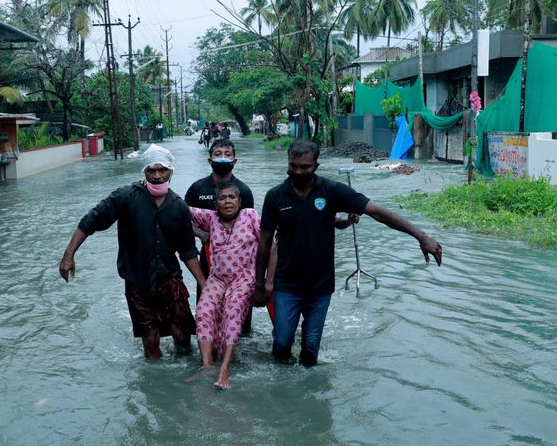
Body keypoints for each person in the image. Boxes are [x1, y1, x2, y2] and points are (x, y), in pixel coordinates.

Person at [252, 139, 443, 367]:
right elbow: (264, 243)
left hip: (320, 286)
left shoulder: (332, 191)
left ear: (316, 166)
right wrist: (260, 285)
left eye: (305, 167)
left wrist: (421, 236)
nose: (298, 172)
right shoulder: (275, 196)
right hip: (286, 284)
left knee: (310, 353)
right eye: (294, 166)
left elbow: (378, 212)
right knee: (281, 345)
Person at [59, 144, 208, 359]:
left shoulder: (179, 207)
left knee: (182, 335)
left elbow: (187, 251)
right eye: (151, 170)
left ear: (171, 172)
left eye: (162, 170)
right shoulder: (126, 197)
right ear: (144, 172)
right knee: (150, 340)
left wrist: (204, 283)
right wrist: (68, 256)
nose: (157, 175)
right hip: (137, 281)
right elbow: (90, 222)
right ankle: (156, 386)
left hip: (170, 279)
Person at [189, 181, 260, 389]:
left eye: (232, 197)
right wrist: (153, 186)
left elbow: (268, 245)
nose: (227, 201)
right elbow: (180, 208)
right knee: (203, 311)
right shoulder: (210, 218)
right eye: (222, 198)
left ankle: (224, 369)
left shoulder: (251, 216)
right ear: (215, 204)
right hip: (217, 278)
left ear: (239, 201)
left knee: (232, 311)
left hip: (244, 276)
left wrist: (266, 282)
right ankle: (207, 365)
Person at [185, 138, 256, 335]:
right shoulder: (197, 189)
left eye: (227, 154)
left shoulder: (245, 192)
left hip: (240, 265)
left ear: (234, 161)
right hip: (208, 260)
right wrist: (200, 234)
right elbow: (181, 217)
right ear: (209, 161)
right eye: (217, 154)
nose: (222, 158)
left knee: (241, 323)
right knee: (206, 313)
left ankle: (239, 352)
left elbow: (251, 228)